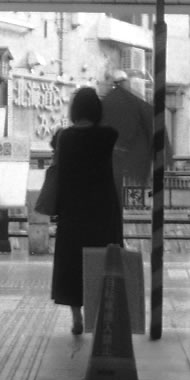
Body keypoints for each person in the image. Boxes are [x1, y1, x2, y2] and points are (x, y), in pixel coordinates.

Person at [50, 87, 124, 335]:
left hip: (73, 210)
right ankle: (101, 314)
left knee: (72, 263)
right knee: (104, 261)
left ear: (74, 111)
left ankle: (76, 317)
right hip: (103, 210)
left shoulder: (64, 138)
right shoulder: (108, 136)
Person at [100, 69, 156, 194]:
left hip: (106, 157)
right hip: (124, 155)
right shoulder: (133, 102)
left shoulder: (106, 102)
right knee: (116, 192)